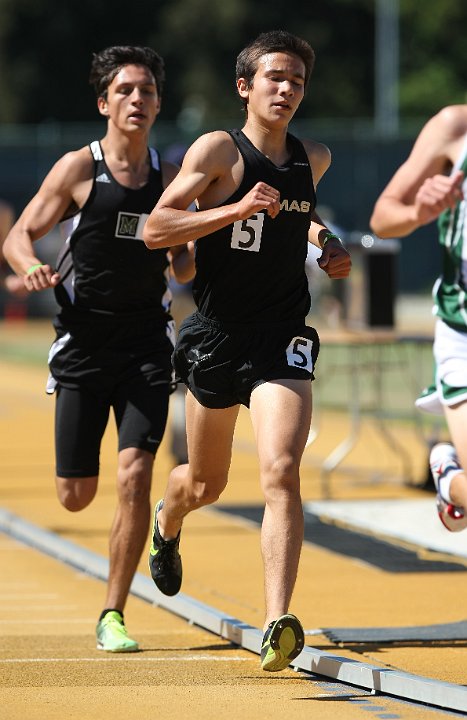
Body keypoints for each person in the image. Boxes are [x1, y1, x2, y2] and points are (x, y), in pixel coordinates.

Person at [142, 30, 351, 672]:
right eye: (275, 78)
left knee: (281, 470)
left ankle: (277, 621)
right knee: (204, 484)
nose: (287, 89)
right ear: (246, 88)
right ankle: (167, 519)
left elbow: (298, 216)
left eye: (297, 80)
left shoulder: (312, 157)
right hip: (216, 333)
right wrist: (230, 211)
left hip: (282, 333)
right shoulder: (217, 152)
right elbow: (156, 228)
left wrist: (327, 242)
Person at [3, 45, 194, 652]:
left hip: (145, 344)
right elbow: (18, 235)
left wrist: (191, 248)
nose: (137, 100)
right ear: (104, 102)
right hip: (83, 344)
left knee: (134, 476)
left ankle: (113, 612)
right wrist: (29, 265)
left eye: (146, 91)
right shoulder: (78, 170)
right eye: (125, 91)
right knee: (75, 494)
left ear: (159, 103)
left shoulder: (171, 179)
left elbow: (185, 269)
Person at [370, 103, 467, 533]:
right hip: (462, 330)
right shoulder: (454, 126)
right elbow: (382, 217)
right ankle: (448, 479)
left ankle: (451, 478)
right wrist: (419, 212)